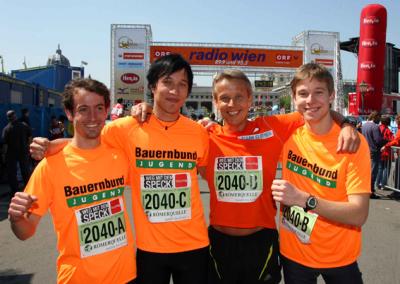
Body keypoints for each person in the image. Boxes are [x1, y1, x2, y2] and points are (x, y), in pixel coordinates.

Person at [132, 69, 360, 284]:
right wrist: (148, 109)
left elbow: (315, 109)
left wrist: (348, 124)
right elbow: (168, 129)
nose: (232, 105)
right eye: (225, 98)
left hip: (261, 243)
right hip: (218, 244)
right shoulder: (204, 136)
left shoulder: (273, 128)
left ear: (250, 100)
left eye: (239, 97)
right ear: (215, 102)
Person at [30, 54, 209, 284]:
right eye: (167, 82)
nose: (174, 90)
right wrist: (52, 145)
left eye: (182, 85)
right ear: (153, 86)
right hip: (149, 249)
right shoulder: (126, 128)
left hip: (194, 244)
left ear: (188, 91)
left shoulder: (198, 133)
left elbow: (208, 170)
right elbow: (86, 141)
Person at [8, 78, 137, 283]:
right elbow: (25, 232)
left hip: (127, 275)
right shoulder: (50, 167)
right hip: (78, 278)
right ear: (69, 113)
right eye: (83, 109)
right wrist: (16, 219)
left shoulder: (120, 155)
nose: (93, 117)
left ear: (106, 111)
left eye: (99, 108)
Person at [271, 63, 370, 284]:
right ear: (294, 98)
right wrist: (208, 126)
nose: (310, 100)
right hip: (294, 254)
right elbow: (242, 131)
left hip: (339, 256)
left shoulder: (352, 143)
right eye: (303, 94)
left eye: (319, 92)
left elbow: (358, 214)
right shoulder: (287, 135)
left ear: (332, 95)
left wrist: (304, 200)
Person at [2, 110, 32, 198]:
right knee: (25, 171)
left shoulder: (6, 129)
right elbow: (30, 137)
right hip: (23, 152)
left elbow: (5, 144)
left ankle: (15, 191)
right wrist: (29, 148)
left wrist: (4, 156)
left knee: (12, 173)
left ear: (8, 118)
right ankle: (29, 188)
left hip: (11, 153)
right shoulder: (24, 126)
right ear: (15, 115)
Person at [362, 111, 385, 199]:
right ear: (376, 117)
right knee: (373, 172)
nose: (380, 120)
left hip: (365, 150)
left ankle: (366, 189)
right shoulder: (375, 127)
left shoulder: (365, 125)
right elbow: (378, 140)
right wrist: (386, 141)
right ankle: (370, 191)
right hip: (374, 151)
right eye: (379, 117)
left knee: (367, 172)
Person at [382, 114, 400, 199]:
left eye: (396, 120)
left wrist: (387, 145)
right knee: (394, 172)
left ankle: (397, 192)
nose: (395, 122)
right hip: (395, 153)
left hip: (397, 153)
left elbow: (396, 141)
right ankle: (396, 191)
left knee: (396, 173)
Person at [376, 115, 394, 190]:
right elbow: (392, 140)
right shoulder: (388, 130)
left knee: (380, 168)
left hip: (379, 151)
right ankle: (383, 184)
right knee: (386, 168)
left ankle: (378, 183)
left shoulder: (378, 128)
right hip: (386, 152)